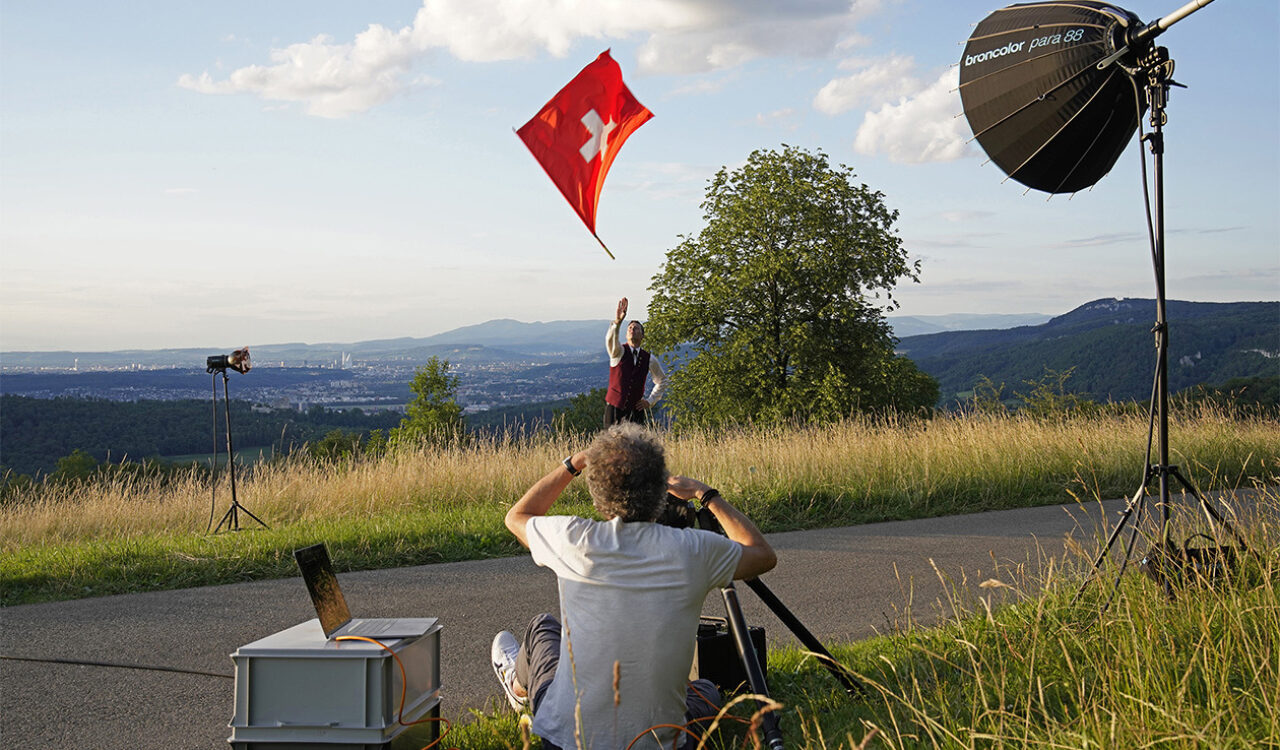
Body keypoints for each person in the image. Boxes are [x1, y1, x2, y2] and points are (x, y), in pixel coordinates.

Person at [490, 422, 777, 750]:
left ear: (598, 495)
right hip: (660, 743)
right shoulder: (694, 549)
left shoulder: (574, 539)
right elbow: (762, 555)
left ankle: (518, 686)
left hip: (567, 741)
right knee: (707, 690)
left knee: (542, 628)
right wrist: (705, 494)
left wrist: (574, 464)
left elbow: (517, 516)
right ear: (661, 489)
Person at [604, 297, 665, 427]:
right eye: (630, 328)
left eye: (636, 328)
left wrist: (650, 401)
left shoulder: (649, 359)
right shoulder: (618, 352)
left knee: (636, 447)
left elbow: (663, 380)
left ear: (642, 336)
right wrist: (618, 322)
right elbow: (610, 341)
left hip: (636, 412)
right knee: (612, 446)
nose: (632, 329)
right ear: (626, 335)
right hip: (615, 410)